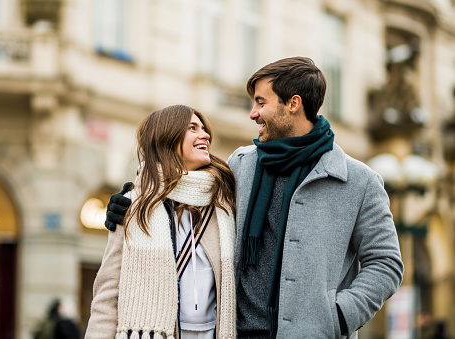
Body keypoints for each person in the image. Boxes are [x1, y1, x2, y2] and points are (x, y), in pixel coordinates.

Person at [105, 57, 404, 338]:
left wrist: (339, 316)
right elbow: (181, 183)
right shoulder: (240, 164)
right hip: (233, 332)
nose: (253, 113)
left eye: (261, 102)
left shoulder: (360, 181)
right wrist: (130, 198)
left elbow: (386, 263)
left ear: (293, 104)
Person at [85, 105, 237, 339]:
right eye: (193, 128)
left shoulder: (225, 200)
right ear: (167, 137)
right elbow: (107, 296)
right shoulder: (134, 206)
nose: (205, 135)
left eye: (205, 129)